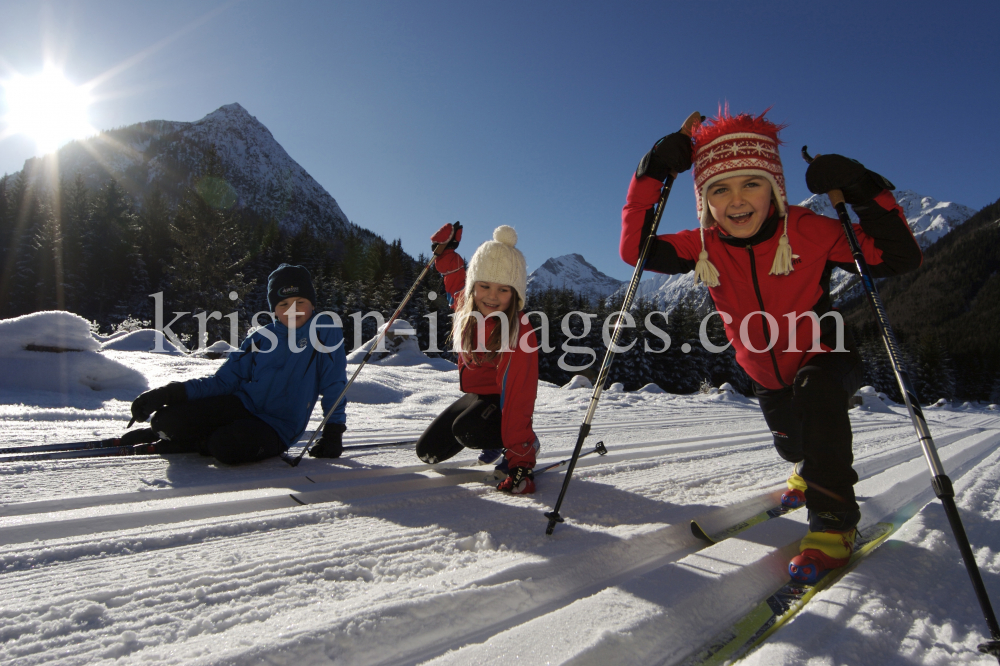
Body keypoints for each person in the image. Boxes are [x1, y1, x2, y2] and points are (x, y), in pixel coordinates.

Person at [620, 109, 922, 580]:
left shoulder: (810, 230)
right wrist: (652, 172)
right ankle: (807, 466)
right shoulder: (703, 244)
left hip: (826, 354)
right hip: (765, 374)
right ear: (705, 203)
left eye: (751, 184)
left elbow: (896, 256)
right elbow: (636, 250)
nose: (736, 200)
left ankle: (834, 525)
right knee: (794, 446)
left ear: (775, 189)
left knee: (817, 393)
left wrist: (862, 186)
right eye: (720, 189)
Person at [123, 264, 348, 463]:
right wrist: (170, 393)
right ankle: (169, 434)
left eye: (301, 301)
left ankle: (193, 441)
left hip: (279, 427)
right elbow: (224, 381)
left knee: (226, 446)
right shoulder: (260, 338)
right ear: (274, 309)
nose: (293, 309)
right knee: (165, 420)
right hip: (242, 405)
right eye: (284, 303)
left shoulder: (323, 330)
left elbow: (334, 383)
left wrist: (333, 430)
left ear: (312, 304)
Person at [416, 223, 541, 494]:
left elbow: (518, 395)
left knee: (468, 429)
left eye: (504, 289)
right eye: (484, 286)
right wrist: (444, 252)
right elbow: (453, 275)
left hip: (504, 400)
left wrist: (521, 460)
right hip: (477, 396)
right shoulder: (466, 305)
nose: (492, 296)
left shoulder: (518, 331)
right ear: (474, 287)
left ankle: (523, 443)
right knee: (427, 452)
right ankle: (491, 434)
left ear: (516, 293)